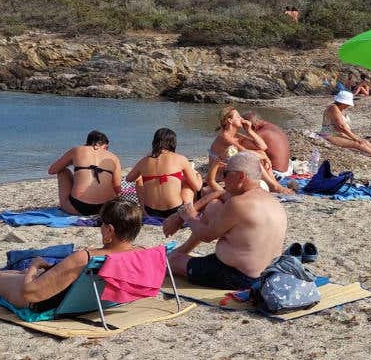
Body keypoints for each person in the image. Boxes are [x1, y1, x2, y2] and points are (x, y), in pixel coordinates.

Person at [0, 197, 144, 311]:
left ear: (110, 230)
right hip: (90, 300)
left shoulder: (86, 257)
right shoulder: (141, 254)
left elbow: (29, 292)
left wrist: (34, 265)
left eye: (101, 224)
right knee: (16, 274)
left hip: (47, 302)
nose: (99, 228)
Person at [167, 152, 288, 291]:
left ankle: (177, 255)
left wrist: (188, 217)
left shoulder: (238, 203)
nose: (223, 179)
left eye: (225, 173)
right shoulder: (271, 200)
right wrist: (180, 216)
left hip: (239, 276)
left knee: (171, 262)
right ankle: (182, 251)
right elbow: (220, 194)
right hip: (268, 273)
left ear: (241, 176)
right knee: (214, 206)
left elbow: (207, 236)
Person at [208, 107, 292, 194]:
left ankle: (274, 184)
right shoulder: (224, 137)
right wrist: (264, 157)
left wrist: (249, 130)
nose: (241, 119)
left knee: (260, 152)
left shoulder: (237, 136)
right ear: (230, 120)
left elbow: (263, 146)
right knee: (253, 158)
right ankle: (273, 186)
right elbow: (245, 153)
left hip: (231, 169)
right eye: (238, 117)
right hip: (221, 175)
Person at [125, 128, 203, 219]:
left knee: (139, 180)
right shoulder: (180, 159)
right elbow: (197, 187)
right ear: (173, 142)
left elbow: (128, 179)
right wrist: (198, 176)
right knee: (187, 183)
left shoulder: (144, 161)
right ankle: (189, 212)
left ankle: (143, 211)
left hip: (151, 210)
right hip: (175, 210)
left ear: (155, 142)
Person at [48, 131, 123, 215]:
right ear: (105, 145)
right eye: (107, 148)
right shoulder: (114, 157)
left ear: (87, 143)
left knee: (62, 171)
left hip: (79, 207)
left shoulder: (77, 150)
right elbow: (117, 189)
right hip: (106, 209)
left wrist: (73, 162)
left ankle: (69, 203)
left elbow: (52, 170)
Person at [320, 91, 371, 159]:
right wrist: (355, 137)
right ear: (342, 102)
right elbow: (341, 126)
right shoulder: (333, 108)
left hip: (339, 133)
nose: (348, 105)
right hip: (330, 134)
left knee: (364, 141)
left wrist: (356, 137)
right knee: (358, 144)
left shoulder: (340, 109)